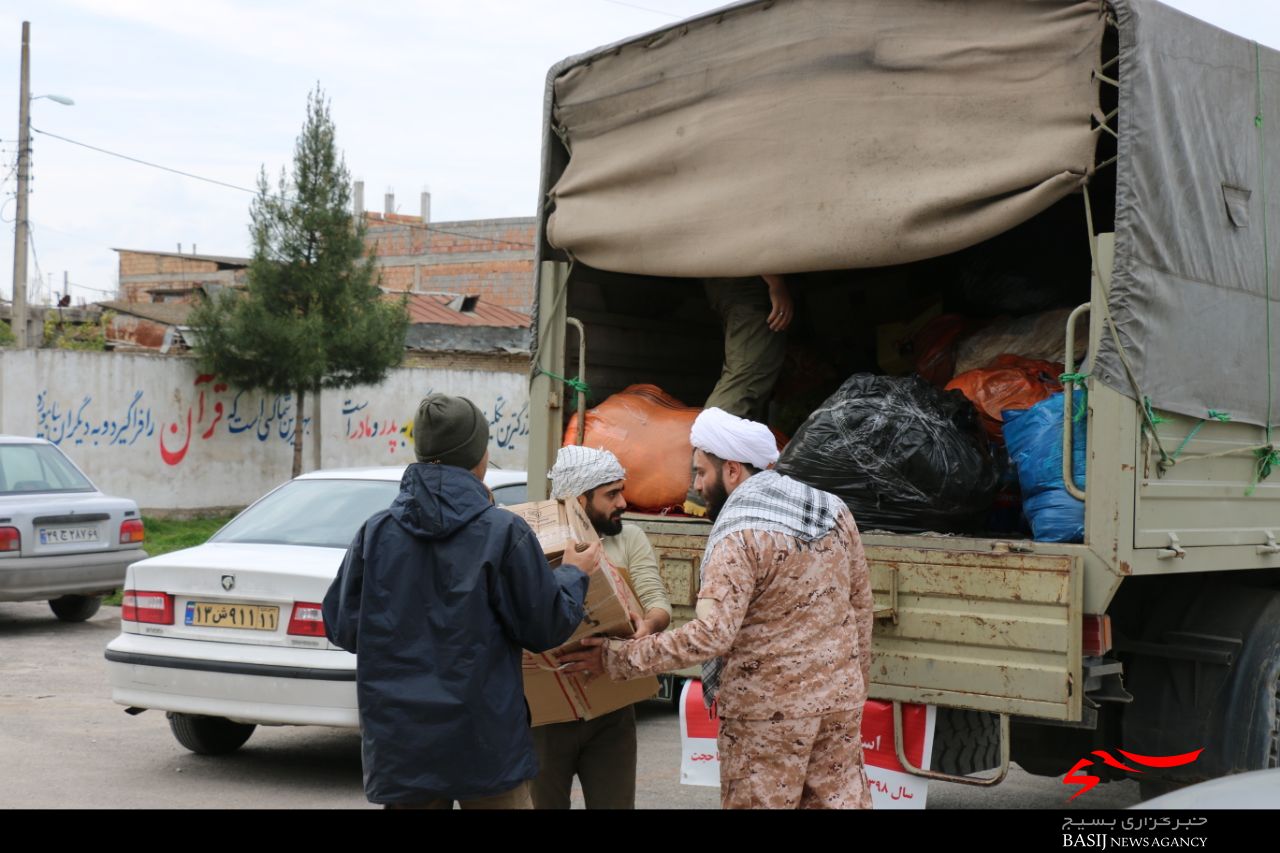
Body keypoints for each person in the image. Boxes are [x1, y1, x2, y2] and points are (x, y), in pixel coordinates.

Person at [560, 407, 875, 810]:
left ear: (731, 470)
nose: (695, 486)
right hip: (839, 704)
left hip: (767, 716)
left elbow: (712, 634)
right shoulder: (831, 510)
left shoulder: (740, 531)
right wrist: (854, 686)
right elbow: (861, 607)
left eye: (701, 473)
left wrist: (618, 657)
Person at [322, 393, 600, 809]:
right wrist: (573, 574)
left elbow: (342, 627)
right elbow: (545, 628)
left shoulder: (375, 533)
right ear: (480, 456)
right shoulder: (503, 532)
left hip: (403, 748)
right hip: (485, 748)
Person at [531, 445, 673, 810]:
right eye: (612, 494)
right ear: (580, 499)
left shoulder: (630, 539)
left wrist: (647, 626)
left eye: (620, 491)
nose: (623, 502)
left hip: (613, 711)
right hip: (547, 717)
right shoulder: (534, 543)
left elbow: (657, 602)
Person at [686, 273, 792, 516]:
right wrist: (776, 283)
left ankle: (724, 485)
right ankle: (702, 489)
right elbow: (757, 236)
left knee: (751, 380)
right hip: (749, 284)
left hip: (737, 285)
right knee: (745, 381)